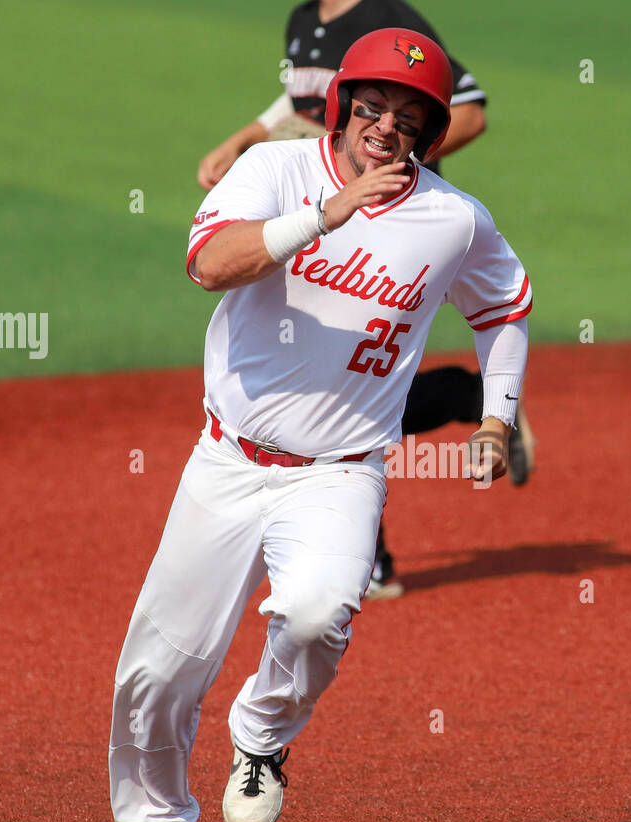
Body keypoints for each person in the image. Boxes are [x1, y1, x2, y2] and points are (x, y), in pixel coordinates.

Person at [89, 28, 532, 822]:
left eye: (410, 117)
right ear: (342, 106)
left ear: (429, 133)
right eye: (373, 107)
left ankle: (261, 736)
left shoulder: (451, 219)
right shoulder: (278, 174)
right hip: (228, 460)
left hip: (342, 468)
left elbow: (505, 306)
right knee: (156, 667)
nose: (387, 127)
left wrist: (495, 418)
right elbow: (209, 265)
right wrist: (330, 212)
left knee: (318, 611)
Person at [197, 0, 535, 600]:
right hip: (320, 199)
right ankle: (457, 399)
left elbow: (469, 112)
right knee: (322, 369)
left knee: (355, 379)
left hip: (381, 217)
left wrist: (396, 171)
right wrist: (248, 136)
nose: (384, 120)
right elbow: (299, 100)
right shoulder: (306, 18)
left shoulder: (387, 20)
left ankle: (370, 548)